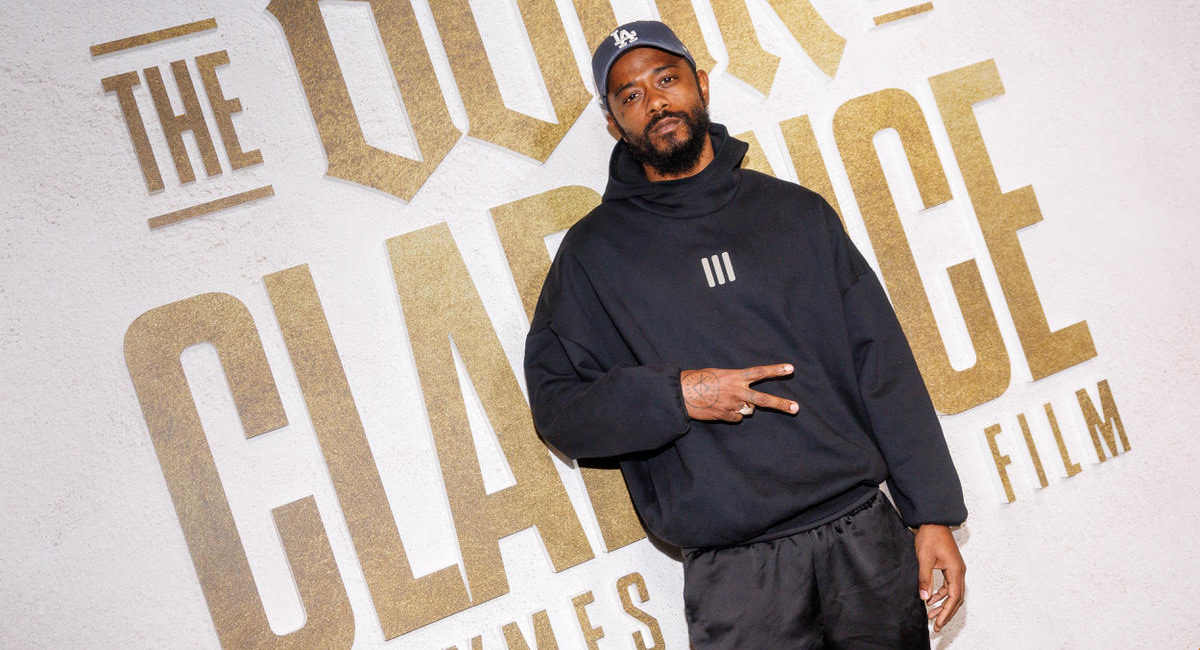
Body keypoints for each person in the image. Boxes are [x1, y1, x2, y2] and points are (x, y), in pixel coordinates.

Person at [524, 20, 967, 649]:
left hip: (865, 542)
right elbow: (560, 410)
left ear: (700, 85)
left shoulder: (796, 213)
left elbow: (883, 367)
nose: (654, 102)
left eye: (667, 80)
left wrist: (932, 515)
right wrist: (675, 397)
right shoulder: (593, 256)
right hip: (737, 577)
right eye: (629, 96)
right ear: (614, 123)